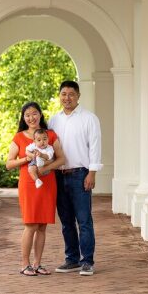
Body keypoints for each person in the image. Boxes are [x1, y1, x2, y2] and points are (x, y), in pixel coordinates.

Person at [6, 102, 66, 276]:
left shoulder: (51, 135)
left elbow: (61, 159)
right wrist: (26, 158)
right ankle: (25, 264)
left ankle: (37, 264)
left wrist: (46, 168)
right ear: (23, 118)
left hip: (48, 183)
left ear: (40, 115)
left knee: (42, 226)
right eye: (27, 115)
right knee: (30, 224)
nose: (31, 118)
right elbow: (9, 163)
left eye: (34, 114)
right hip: (29, 183)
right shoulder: (19, 137)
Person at [49, 81, 102, 276]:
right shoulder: (53, 121)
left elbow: (95, 146)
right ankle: (71, 259)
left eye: (71, 94)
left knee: (84, 220)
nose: (67, 98)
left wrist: (92, 172)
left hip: (80, 174)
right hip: (59, 176)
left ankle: (87, 260)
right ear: (59, 95)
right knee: (66, 221)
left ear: (78, 96)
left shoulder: (89, 119)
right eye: (63, 94)